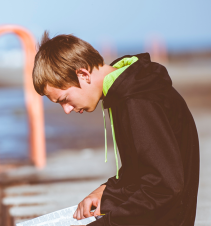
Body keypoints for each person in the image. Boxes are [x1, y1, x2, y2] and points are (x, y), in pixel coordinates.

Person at [32, 31, 200, 226]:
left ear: (83, 74)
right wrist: (106, 192)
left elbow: (163, 187)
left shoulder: (139, 101)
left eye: (64, 99)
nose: (67, 110)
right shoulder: (127, 92)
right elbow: (142, 171)